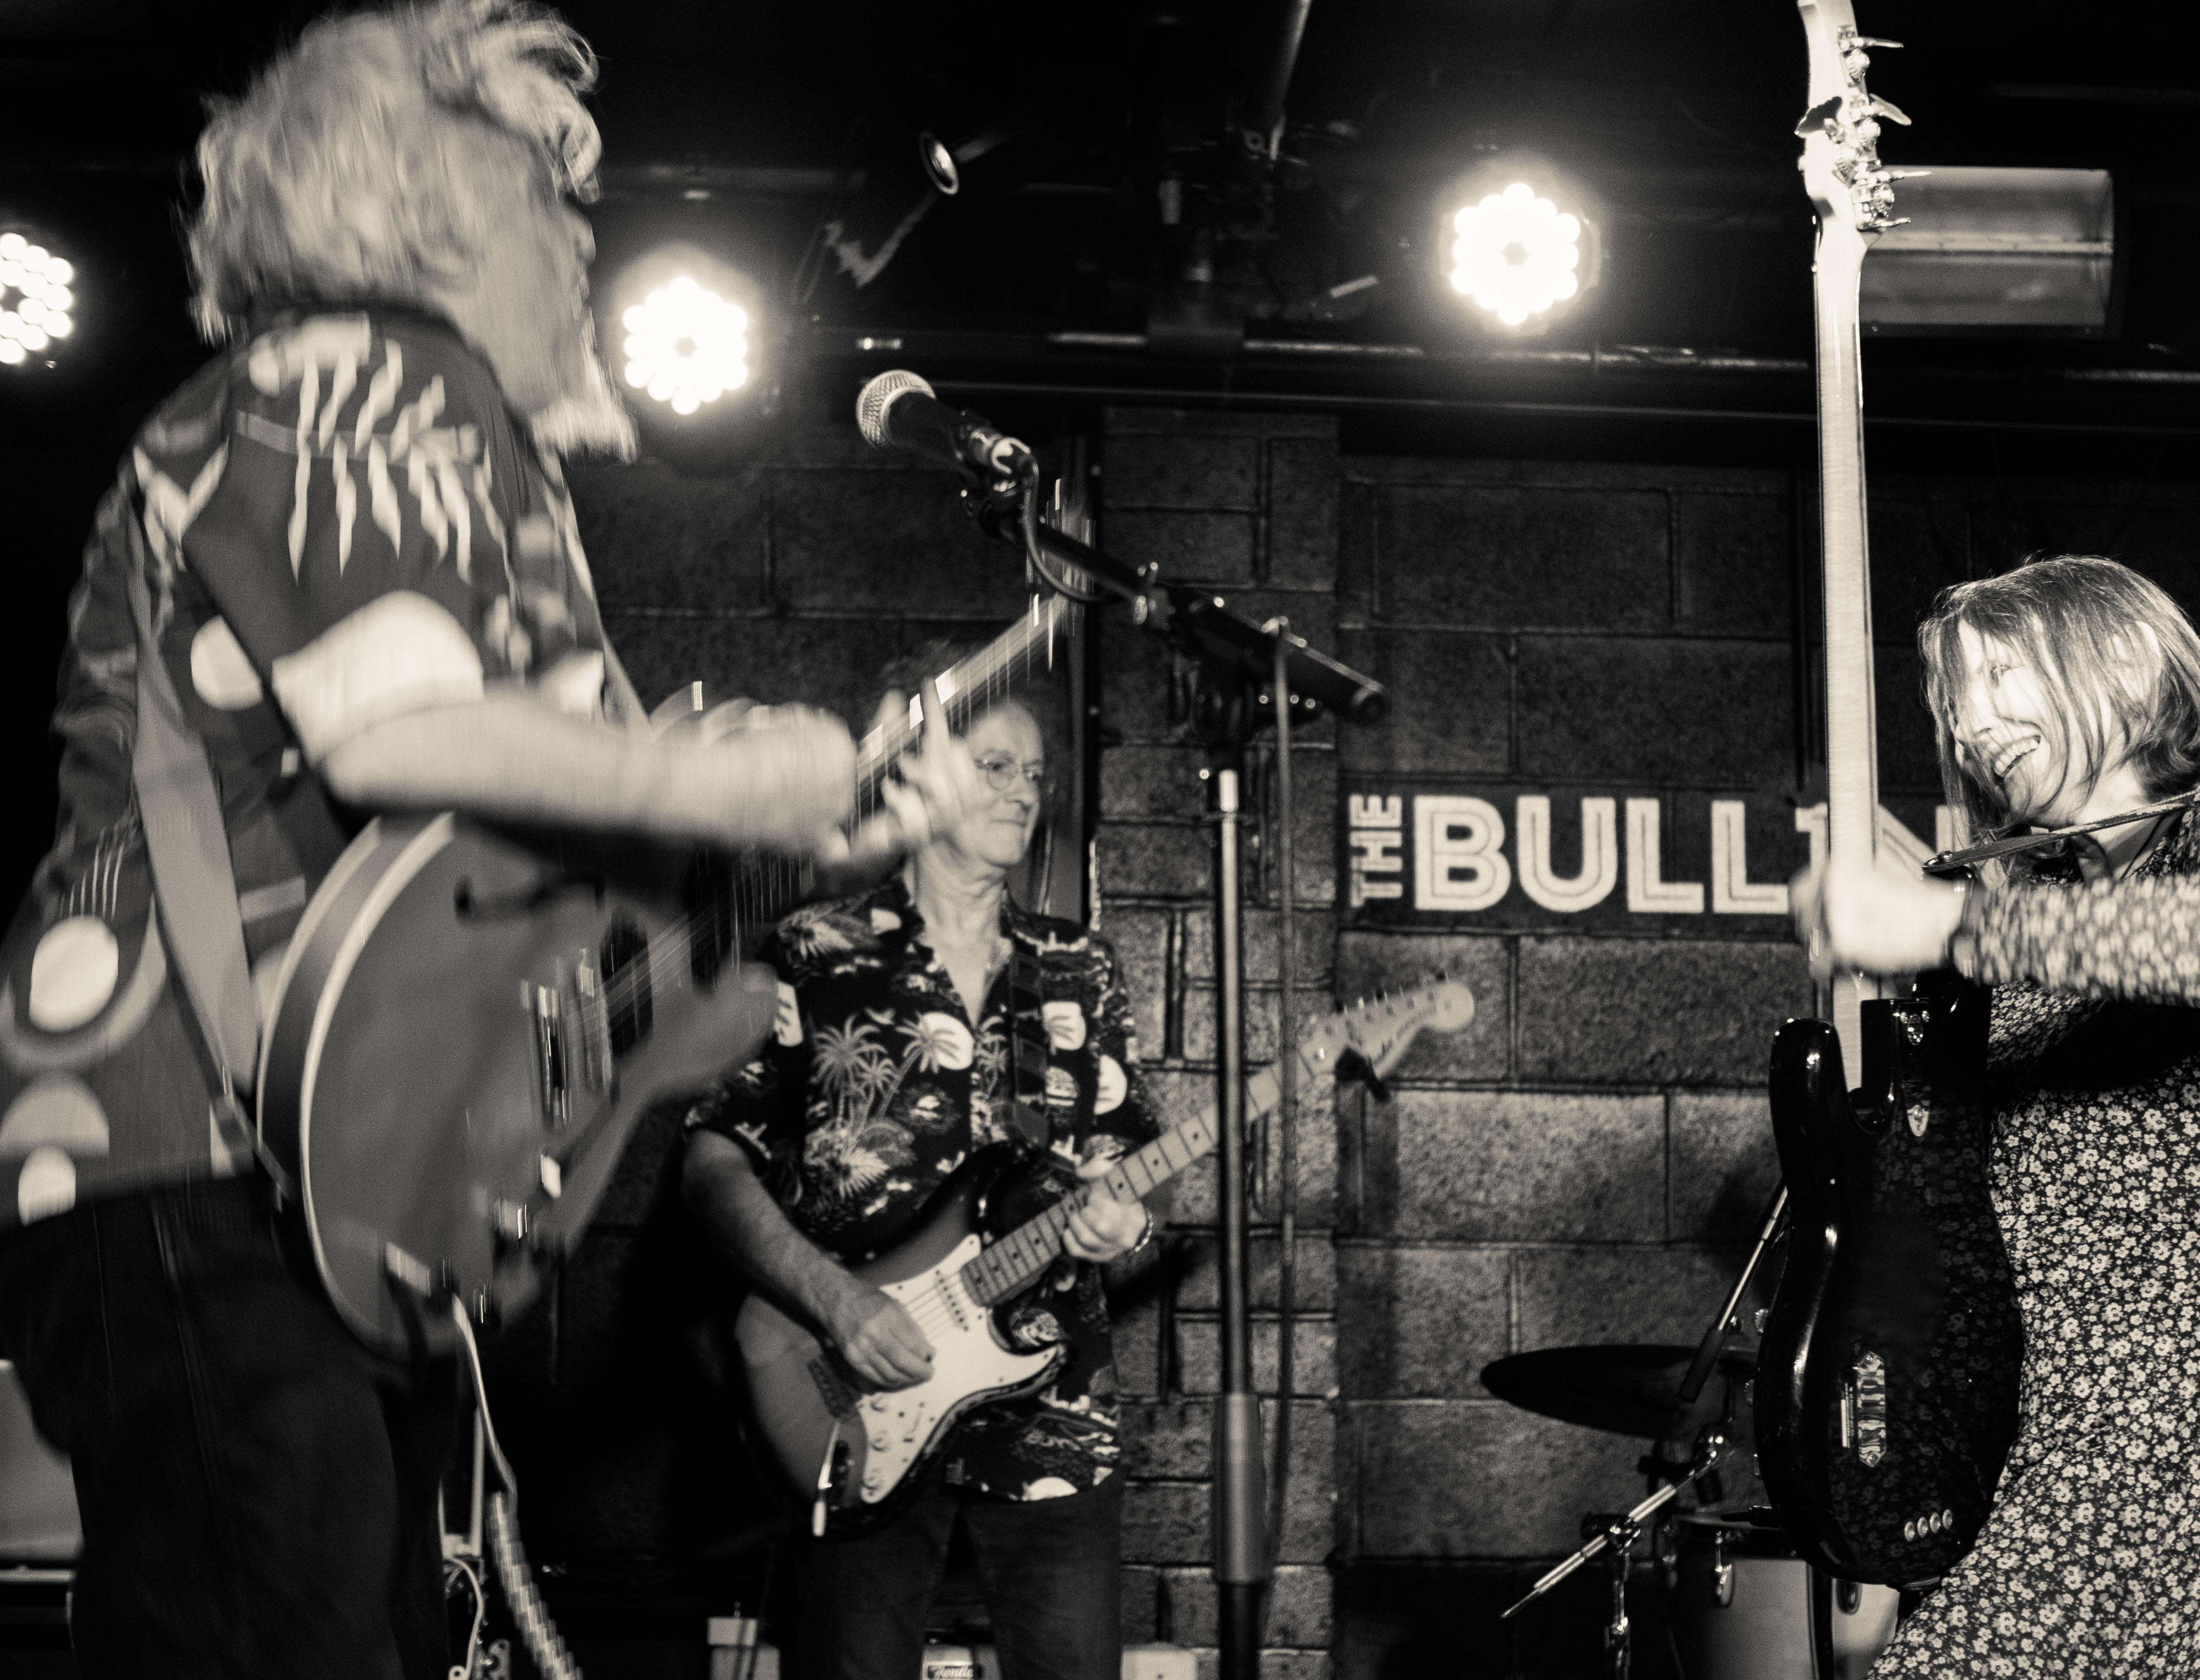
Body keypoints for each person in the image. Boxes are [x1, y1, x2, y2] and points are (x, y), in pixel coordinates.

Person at [0, 6, 970, 1676]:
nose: (585, 235)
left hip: (331, 1171)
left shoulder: (482, 454)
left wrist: (814, 832)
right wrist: (733, 784)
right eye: (549, 191)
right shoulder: (354, 371)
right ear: (421, 197)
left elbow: (577, 883)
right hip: (195, 1133)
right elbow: (399, 733)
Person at [683, 691, 1162, 1680]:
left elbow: (1129, 1169)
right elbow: (712, 1162)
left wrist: (1129, 1224)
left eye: (1037, 775)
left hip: (1053, 1410)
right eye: (997, 767)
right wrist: (837, 1303)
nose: (1025, 792)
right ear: (920, 774)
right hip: (855, 1393)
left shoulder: (1078, 966)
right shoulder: (815, 952)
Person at [1793, 552, 2200, 1673]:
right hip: (2066, 1445)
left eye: (1998, 677)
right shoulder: (2038, 897)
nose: (1972, 725)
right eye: (1955, 704)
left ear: (2124, 662)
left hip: (2164, 1447)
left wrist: (1949, 929)